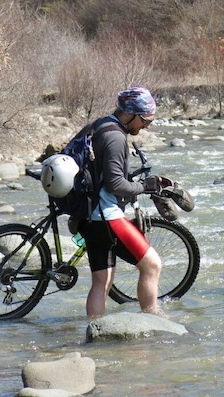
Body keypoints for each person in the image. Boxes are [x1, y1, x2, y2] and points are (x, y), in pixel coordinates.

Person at [76, 86, 166, 318]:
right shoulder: (116, 138)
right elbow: (116, 185)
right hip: (107, 218)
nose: (146, 126)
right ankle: (152, 319)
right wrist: (144, 187)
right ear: (130, 114)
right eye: (145, 120)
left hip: (88, 217)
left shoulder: (99, 125)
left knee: (101, 282)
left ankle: (94, 330)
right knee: (152, 265)